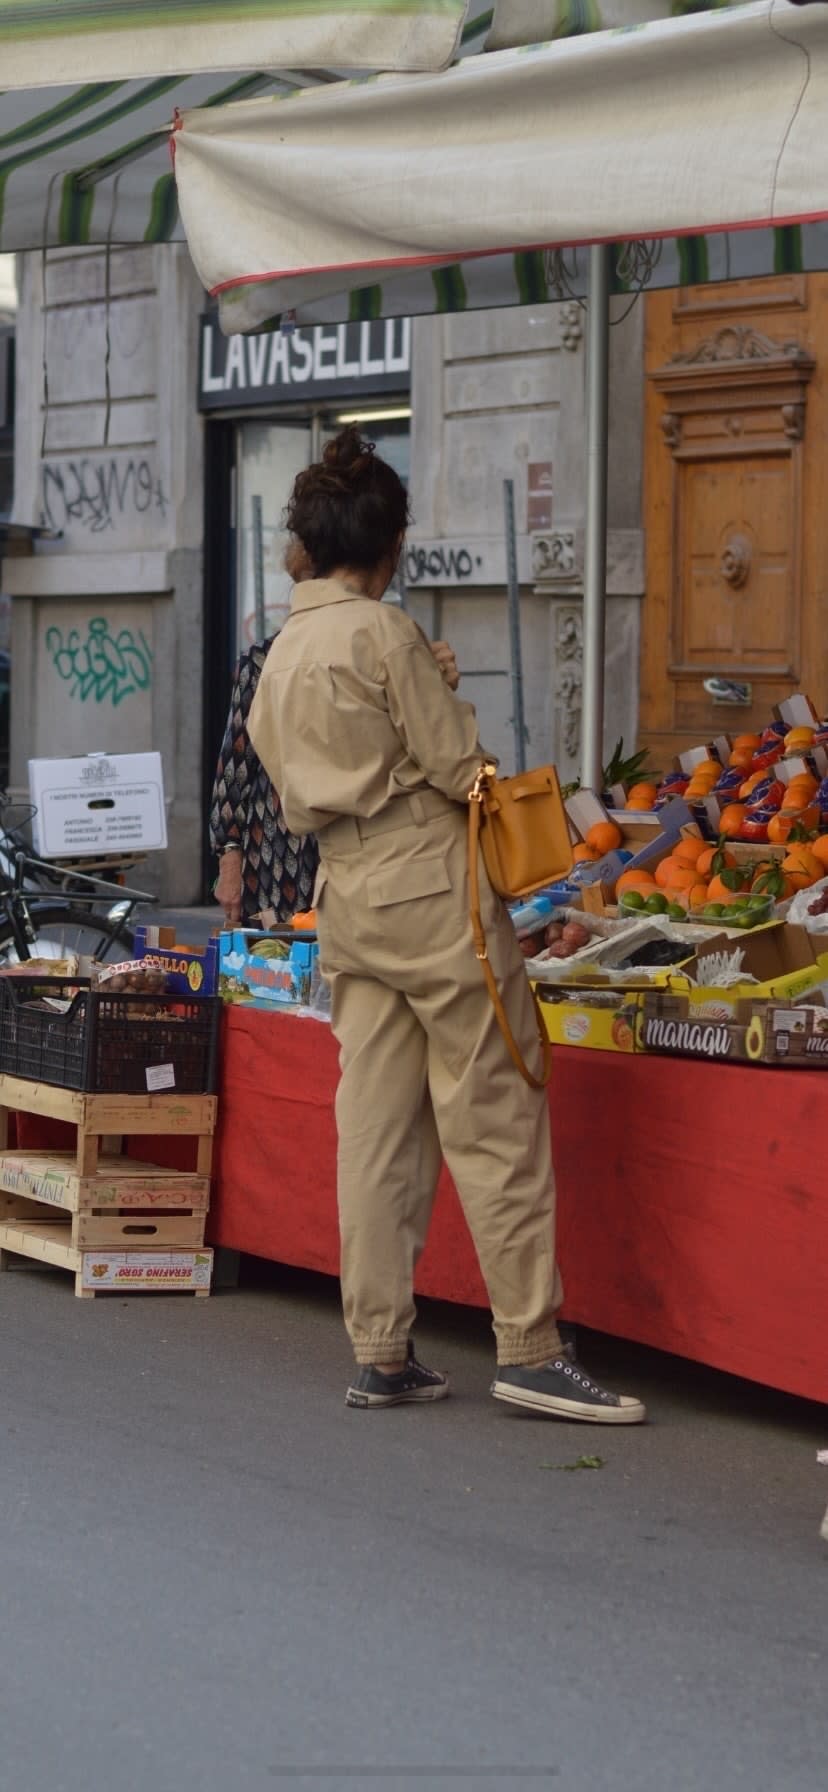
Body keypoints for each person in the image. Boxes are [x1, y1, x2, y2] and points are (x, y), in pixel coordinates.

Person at [248, 427, 645, 1424]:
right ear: (386, 545)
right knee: (496, 1112)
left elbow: (326, 758)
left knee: (375, 1129)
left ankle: (380, 1348)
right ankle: (531, 1346)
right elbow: (457, 766)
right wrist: (444, 702)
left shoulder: (282, 650)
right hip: (434, 888)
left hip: (348, 892)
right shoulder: (382, 634)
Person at [210, 555, 461, 928]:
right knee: (282, 968)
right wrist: (229, 862)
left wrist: (434, 688)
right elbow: (234, 772)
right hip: (278, 860)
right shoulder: (263, 661)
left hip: (365, 854)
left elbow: (418, 752)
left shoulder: (386, 650)